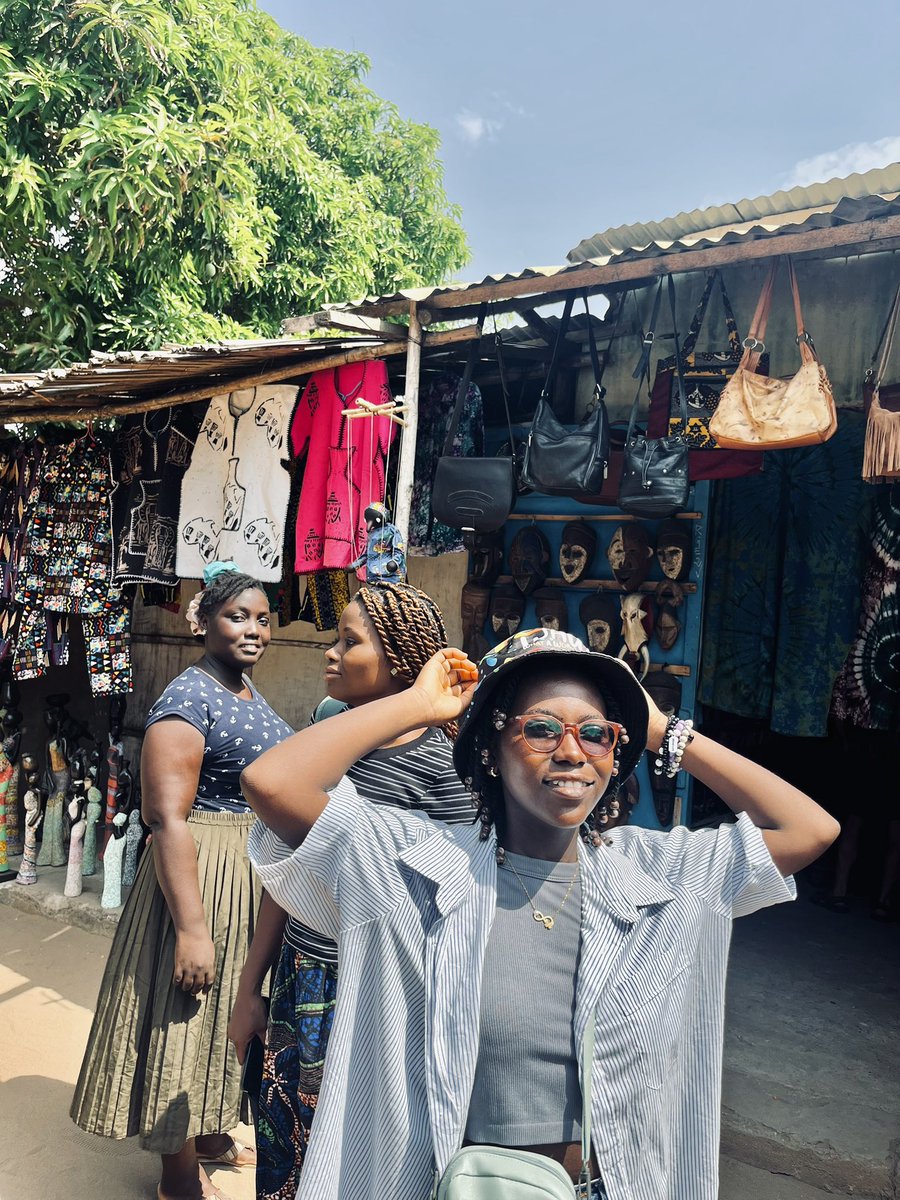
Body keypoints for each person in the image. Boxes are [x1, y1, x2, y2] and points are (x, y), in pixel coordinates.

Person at [240, 626, 839, 1200]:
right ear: (492, 750)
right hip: (446, 1185)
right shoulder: (415, 864)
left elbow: (808, 828)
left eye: (597, 734)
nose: (573, 752)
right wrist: (418, 704)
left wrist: (658, 728)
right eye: (543, 730)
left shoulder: (659, 876)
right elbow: (273, 781)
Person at [227, 580, 472, 1200]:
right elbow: (286, 872)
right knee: (285, 1151)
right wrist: (249, 986)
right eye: (335, 638)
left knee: (351, 1164)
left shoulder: (444, 770)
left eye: (350, 642)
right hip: (299, 977)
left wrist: (420, 705)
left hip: (371, 993)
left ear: (402, 662)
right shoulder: (328, 738)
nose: (330, 653)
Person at [71, 563, 293, 1200]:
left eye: (262, 617)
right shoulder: (188, 697)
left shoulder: (247, 692)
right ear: (203, 623)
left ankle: (214, 1128)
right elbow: (166, 815)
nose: (254, 629)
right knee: (189, 1012)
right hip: (203, 871)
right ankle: (176, 1174)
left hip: (247, 872)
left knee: (233, 1010)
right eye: (236, 616)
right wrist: (192, 927)